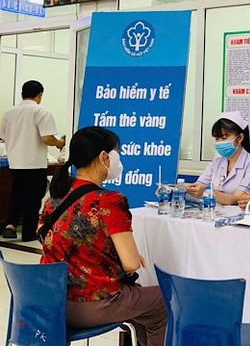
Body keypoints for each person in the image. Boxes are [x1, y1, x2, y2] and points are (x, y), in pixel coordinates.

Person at [38, 126, 166, 346]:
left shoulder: (55, 198)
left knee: (142, 304)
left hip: (50, 301)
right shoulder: (109, 201)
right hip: (90, 304)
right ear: (104, 157)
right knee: (164, 302)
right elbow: (131, 264)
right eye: (117, 154)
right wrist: (130, 258)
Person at [0, 80, 65, 241]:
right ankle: (28, 233)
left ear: (22, 94)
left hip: (14, 163)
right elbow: (47, 138)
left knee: (16, 194)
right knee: (33, 198)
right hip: (34, 164)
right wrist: (59, 142)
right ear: (40, 95)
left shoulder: (9, 113)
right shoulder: (41, 111)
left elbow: (4, 136)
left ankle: (10, 225)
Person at [186, 111, 250, 205]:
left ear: (240, 138)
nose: (219, 143)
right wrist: (191, 189)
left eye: (224, 138)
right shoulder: (216, 162)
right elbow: (200, 184)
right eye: (217, 139)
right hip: (212, 210)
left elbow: (236, 198)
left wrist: (206, 191)